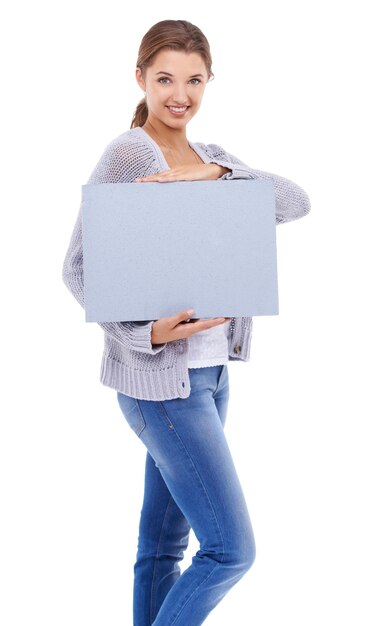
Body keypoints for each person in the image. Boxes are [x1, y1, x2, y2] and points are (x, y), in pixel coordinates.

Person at [62, 19, 310, 626]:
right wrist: (145, 334)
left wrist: (219, 176)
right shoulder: (129, 154)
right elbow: (77, 268)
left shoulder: (213, 156)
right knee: (230, 550)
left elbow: (296, 201)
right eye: (166, 78)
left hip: (212, 379)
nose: (181, 94)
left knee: (163, 550)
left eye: (194, 80)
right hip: (162, 387)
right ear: (141, 78)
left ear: (209, 81)